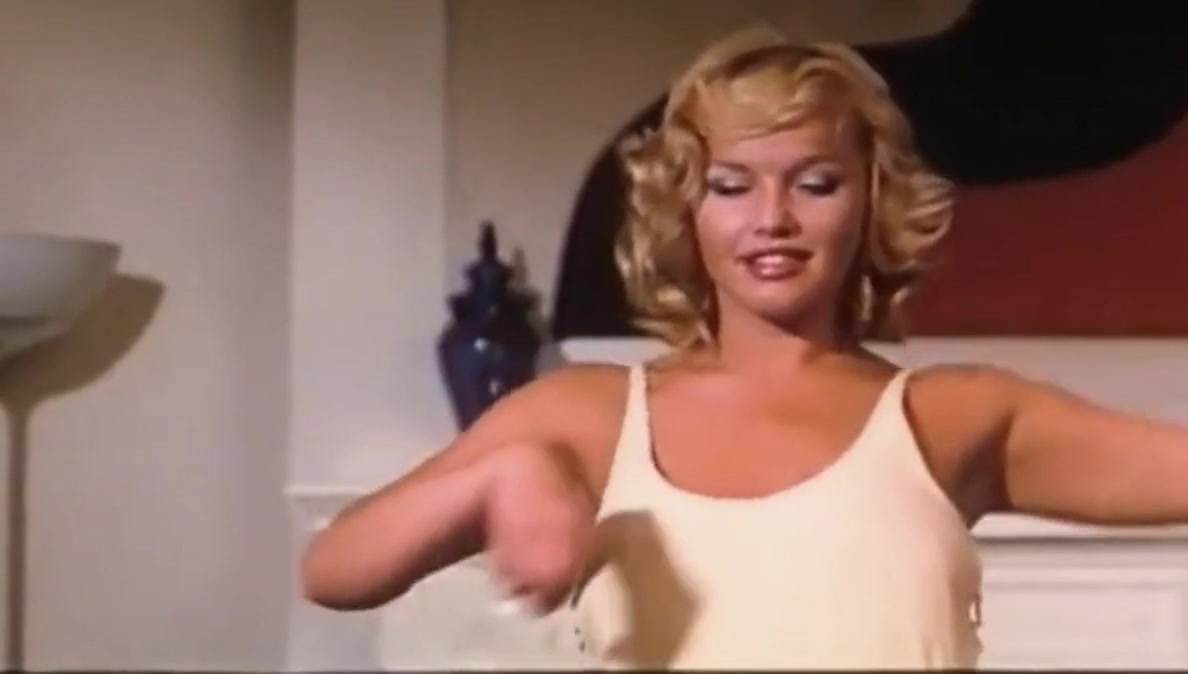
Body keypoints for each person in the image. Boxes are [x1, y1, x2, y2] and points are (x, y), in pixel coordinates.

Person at [300, 27, 1188, 669]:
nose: (773, 219)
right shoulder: (591, 414)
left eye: (815, 183)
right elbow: (334, 570)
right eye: (731, 186)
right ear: (685, 209)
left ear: (871, 202)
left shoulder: (957, 416)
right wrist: (502, 474)